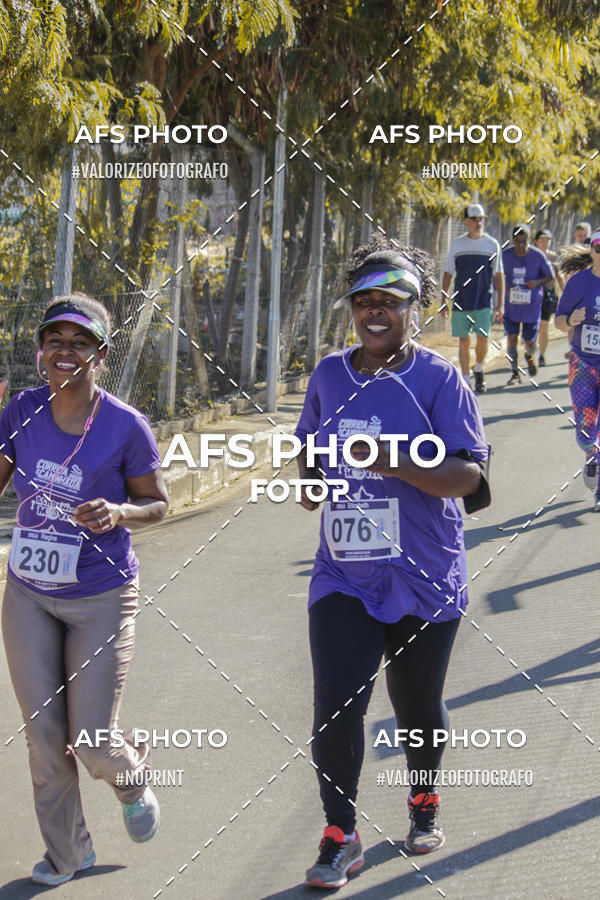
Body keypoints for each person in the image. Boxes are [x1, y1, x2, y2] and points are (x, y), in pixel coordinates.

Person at [296, 236, 490, 889]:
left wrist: (393, 462)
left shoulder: (440, 379)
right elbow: (309, 456)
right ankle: (340, 833)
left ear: (415, 306)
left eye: (391, 302)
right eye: (363, 302)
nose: (375, 313)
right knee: (336, 706)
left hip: (426, 574)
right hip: (344, 572)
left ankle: (423, 796)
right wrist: (312, 479)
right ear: (351, 308)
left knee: (416, 704)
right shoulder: (328, 376)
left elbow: (468, 474)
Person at [0, 295, 169, 885]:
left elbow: (158, 504)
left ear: (101, 355)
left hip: (100, 597)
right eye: (55, 341)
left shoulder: (125, 425)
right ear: (41, 351)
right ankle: (69, 854)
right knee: (46, 742)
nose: (65, 352)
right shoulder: (19, 409)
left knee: (92, 743)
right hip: (27, 594)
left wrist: (121, 512)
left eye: (80, 342)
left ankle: (130, 777)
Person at [555, 231, 600, 511]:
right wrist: (570, 319)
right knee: (586, 426)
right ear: (592, 251)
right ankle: (591, 455)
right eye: (598, 246)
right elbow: (559, 320)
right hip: (582, 364)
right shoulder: (578, 282)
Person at [441, 203, 504, 393]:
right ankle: (466, 380)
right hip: (462, 301)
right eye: (475, 220)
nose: (478, 223)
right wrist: (443, 302)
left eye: (481, 220)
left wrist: (500, 304)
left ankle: (478, 368)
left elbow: (498, 275)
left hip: (484, 300)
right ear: (466, 221)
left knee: (482, 337)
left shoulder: (492, 244)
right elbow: (447, 274)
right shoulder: (457, 244)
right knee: (463, 341)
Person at [502, 224, 554, 384]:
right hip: (511, 308)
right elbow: (496, 274)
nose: (520, 245)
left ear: (529, 240)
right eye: (517, 241)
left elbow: (550, 275)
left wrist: (537, 282)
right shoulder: (505, 255)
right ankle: (515, 373)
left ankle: (529, 355)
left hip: (531, 307)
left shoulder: (537, 256)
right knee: (511, 339)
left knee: (529, 342)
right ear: (513, 240)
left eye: (524, 241)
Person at [534, 228, 565, 366]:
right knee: (533, 325)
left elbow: (560, 277)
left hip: (548, 296)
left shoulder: (553, 258)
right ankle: (531, 349)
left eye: (547, 241)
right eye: (542, 240)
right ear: (536, 241)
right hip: (533, 296)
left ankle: (541, 355)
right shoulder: (532, 256)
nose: (545, 243)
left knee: (544, 326)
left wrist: (567, 293)